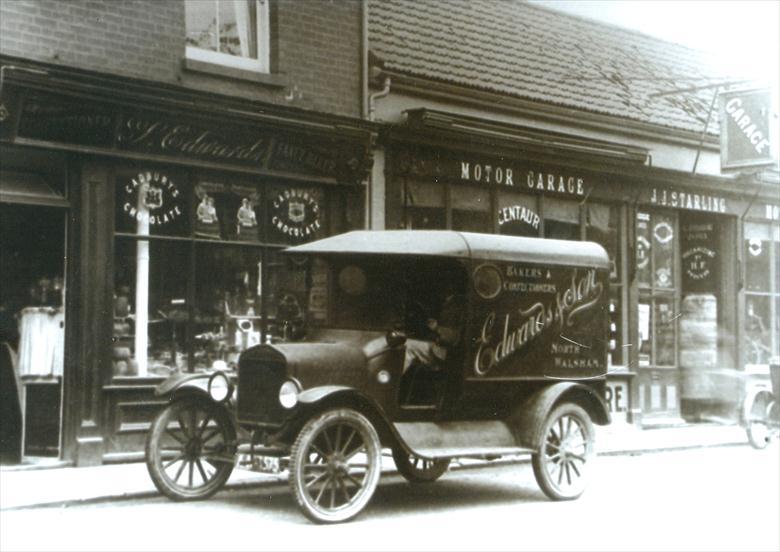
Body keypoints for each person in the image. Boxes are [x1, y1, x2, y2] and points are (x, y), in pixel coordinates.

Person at [403, 281, 465, 373]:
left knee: (407, 346)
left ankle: (391, 384)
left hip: (445, 354)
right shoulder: (446, 303)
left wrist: (437, 328)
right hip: (438, 348)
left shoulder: (457, 307)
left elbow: (455, 338)